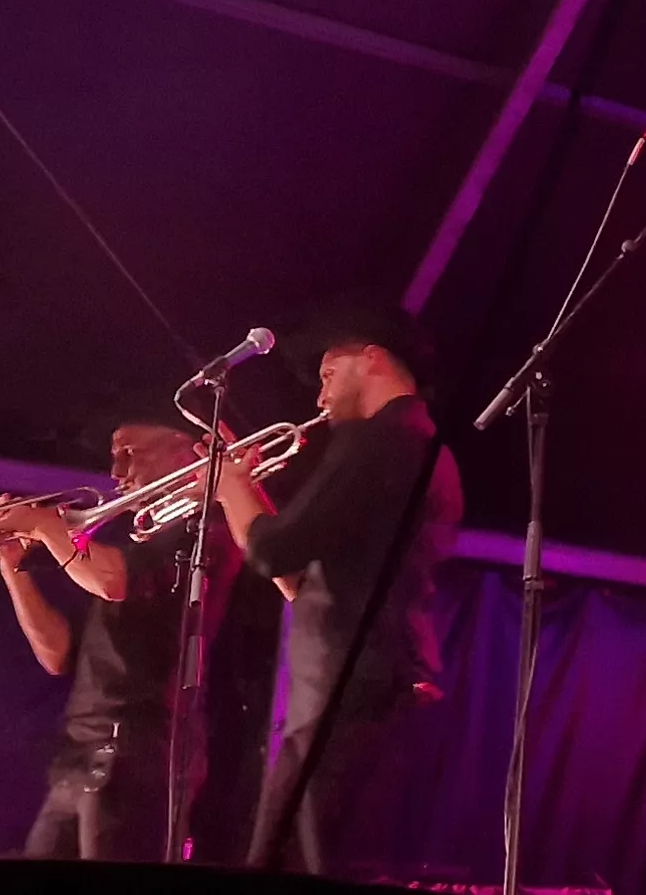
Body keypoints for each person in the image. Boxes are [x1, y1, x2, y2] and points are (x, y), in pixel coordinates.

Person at [211, 299, 462, 874]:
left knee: (312, 865)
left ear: (372, 359)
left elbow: (275, 548)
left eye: (328, 374)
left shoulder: (384, 440)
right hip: (346, 688)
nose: (319, 398)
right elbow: (298, 579)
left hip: (349, 692)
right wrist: (241, 490)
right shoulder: (412, 443)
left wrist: (229, 488)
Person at [0, 409, 228, 860]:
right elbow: (56, 655)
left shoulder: (202, 529)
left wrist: (47, 526)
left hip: (136, 749)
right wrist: (14, 568)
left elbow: (112, 582)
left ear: (184, 452)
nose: (116, 472)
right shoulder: (126, 537)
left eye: (131, 454)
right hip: (77, 751)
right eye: (114, 456)